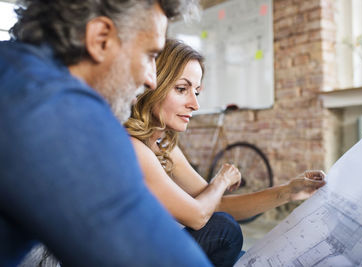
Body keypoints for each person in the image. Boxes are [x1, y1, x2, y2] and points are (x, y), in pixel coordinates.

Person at [0, 1, 212, 266]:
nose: (151, 80)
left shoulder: (12, 66)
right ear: (101, 39)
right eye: (149, 55)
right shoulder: (55, 109)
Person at [125, 39, 327, 267]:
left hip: (153, 250)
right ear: (153, 85)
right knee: (224, 230)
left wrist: (289, 191)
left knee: (241, 254)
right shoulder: (132, 147)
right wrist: (222, 179)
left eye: (197, 92)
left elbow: (217, 205)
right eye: (182, 89)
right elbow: (198, 216)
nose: (195, 104)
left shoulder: (163, 145)